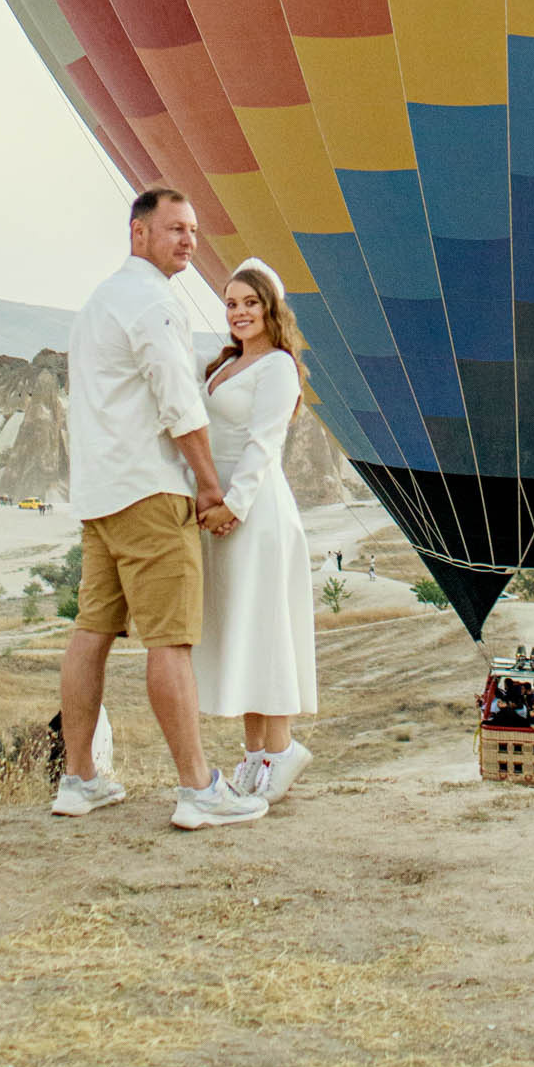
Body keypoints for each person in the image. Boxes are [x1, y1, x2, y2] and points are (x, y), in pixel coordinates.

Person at [55, 183, 268, 831]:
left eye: (194, 231)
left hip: (100, 495)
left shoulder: (97, 305)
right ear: (138, 232)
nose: (188, 241)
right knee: (171, 640)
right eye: (175, 228)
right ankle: (198, 788)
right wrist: (210, 486)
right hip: (150, 491)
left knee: (91, 633)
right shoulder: (153, 303)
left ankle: (79, 778)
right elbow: (179, 403)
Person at [194, 257, 318, 801]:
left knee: (265, 629)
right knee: (239, 630)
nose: (240, 313)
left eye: (250, 303)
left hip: (256, 512)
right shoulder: (222, 365)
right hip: (221, 510)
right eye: (231, 303)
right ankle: (254, 755)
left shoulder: (278, 368)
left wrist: (234, 506)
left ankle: (282, 747)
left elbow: (264, 444)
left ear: (271, 309)